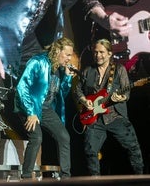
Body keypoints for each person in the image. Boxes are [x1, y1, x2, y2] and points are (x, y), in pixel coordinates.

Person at [73, 38, 144, 175]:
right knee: (90, 151)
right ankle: (95, 180)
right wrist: (83, 100)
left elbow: (126, 91)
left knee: (133, 148)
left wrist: (121, 97)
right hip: (95, 119)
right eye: (95, 52)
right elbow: (78, 90)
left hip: (115, 115)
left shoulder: (119, 69)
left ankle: (140, 178)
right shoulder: (88, 71)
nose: (98, 55)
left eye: (101, 52)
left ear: (110, 53)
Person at [14, 37, 76, 180]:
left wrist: (67, 78)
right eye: (67, 55)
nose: (69, 59)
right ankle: (27, 175)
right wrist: (30, 112)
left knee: (64, 137)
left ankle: (66, 177)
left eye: (70, 55)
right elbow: (22, 87)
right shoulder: (37, 62)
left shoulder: (59, 69)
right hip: (28, 105)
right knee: (37, 137)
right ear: (57, 51)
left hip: (46, 108)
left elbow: (62, 94)